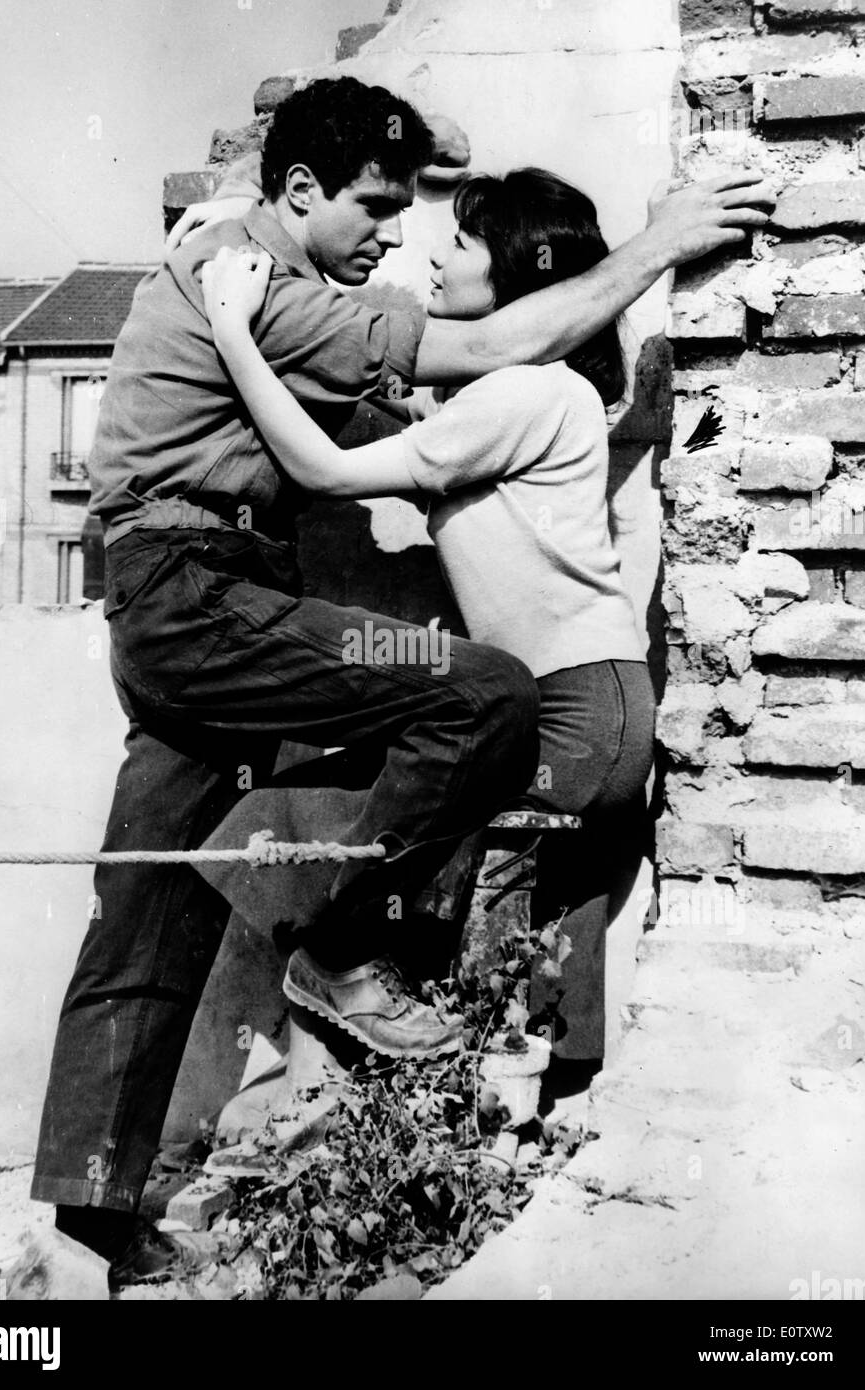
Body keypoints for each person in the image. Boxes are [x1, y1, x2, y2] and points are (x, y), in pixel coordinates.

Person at [31, 75, 772, 1284]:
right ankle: (340, 944)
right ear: (301, 191)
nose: (393, 237)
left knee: (152, 892)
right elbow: (484, 343)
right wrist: (660, 243)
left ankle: (92, 1226)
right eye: (375, 205)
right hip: (201, 592)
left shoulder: (244, 262)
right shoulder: (262, 284)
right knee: (474, 691)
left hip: (182, 608)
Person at [202, 164, 654, 1081]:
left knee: (440, 846)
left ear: (519, 272)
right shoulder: (533, 395)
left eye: (462, 241)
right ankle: (536, 1104)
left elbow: (328, 471)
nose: (435, 256)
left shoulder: (524, 392)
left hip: (572, 708)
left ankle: (347, 975)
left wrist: (230, 330)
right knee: (529, 898)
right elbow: (400, 390)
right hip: (596, 705)